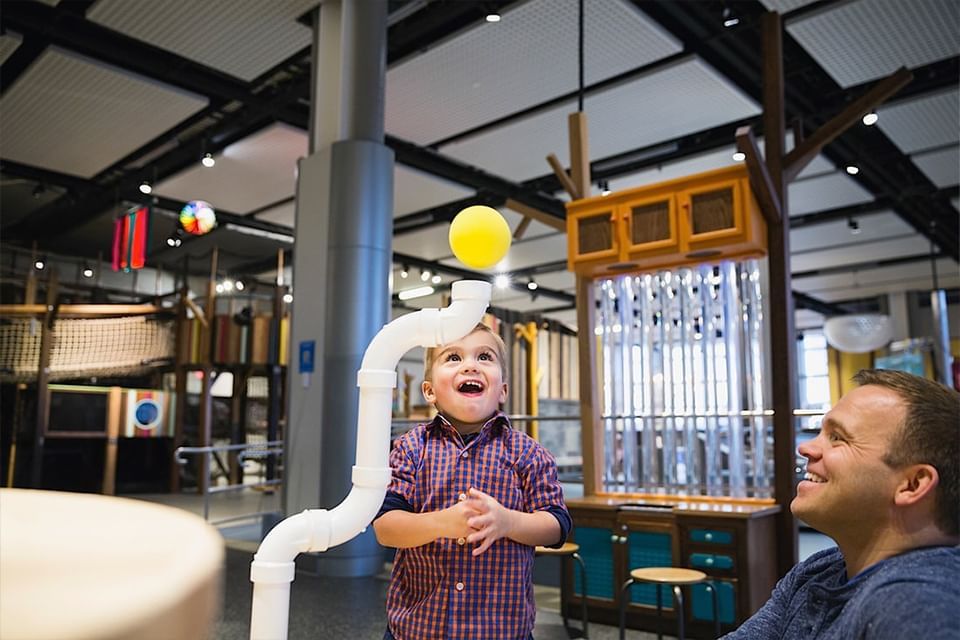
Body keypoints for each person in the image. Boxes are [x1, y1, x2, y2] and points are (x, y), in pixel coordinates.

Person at [724, 369, 960, 639]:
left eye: (838, 437)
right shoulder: (821, 570)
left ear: (913, 484)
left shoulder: (918, 603)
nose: (806, 448)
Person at [373, 323, 571, 640]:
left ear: (503, 389)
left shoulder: (529, 454)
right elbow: (385, 527)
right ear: (429, 391)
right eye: (453, 357)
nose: (470, 365)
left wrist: (507, 522)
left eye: (484, 357)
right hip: (416, 630)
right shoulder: (410, 449)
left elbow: (557, 525)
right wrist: (441, 523)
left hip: (502, 630)